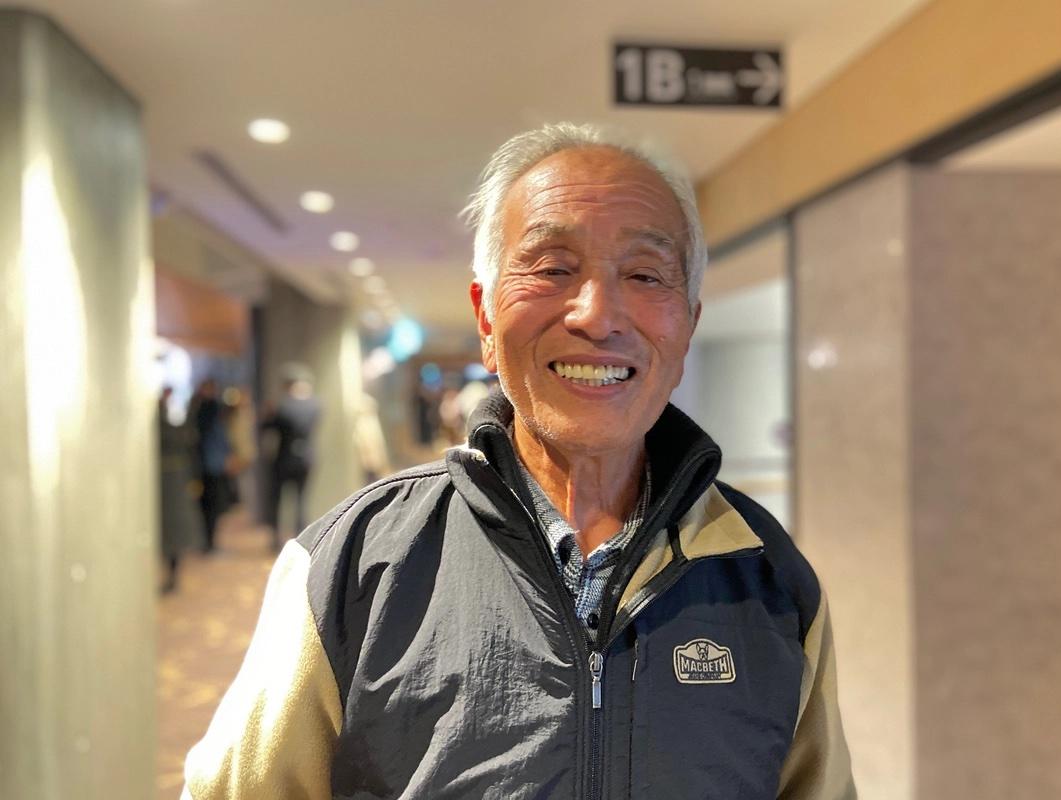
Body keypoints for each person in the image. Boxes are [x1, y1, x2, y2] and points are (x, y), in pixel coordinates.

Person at [182, 123, 855, 799]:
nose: (598, 314)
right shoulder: (354, 565)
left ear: (688, 322)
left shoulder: (767, 575)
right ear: (484, 318)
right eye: (554, 268)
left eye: (646, 274)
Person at [260, 365, 321, 550]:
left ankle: (276, 539)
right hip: (306, 457)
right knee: (302, 501)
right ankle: (303, 541)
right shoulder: (316, 404)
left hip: (284, 459)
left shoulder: (283, 407)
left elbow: (266, 428)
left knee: (277, 501)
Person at [157, 387, 204, 592]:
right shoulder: (170, 426)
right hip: (172, 483)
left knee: (173, 533)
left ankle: (172, 574)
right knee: (172, 532)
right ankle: (171, 573)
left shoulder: (169, 426)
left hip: (173, 484)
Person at [189, 378, 232, 553]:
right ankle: (208, 542)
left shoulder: (198, 407)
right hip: (210, 464)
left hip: (206, 463)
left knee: (208, 505)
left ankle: (207, 541)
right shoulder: (210, 408)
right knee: (212, 505)